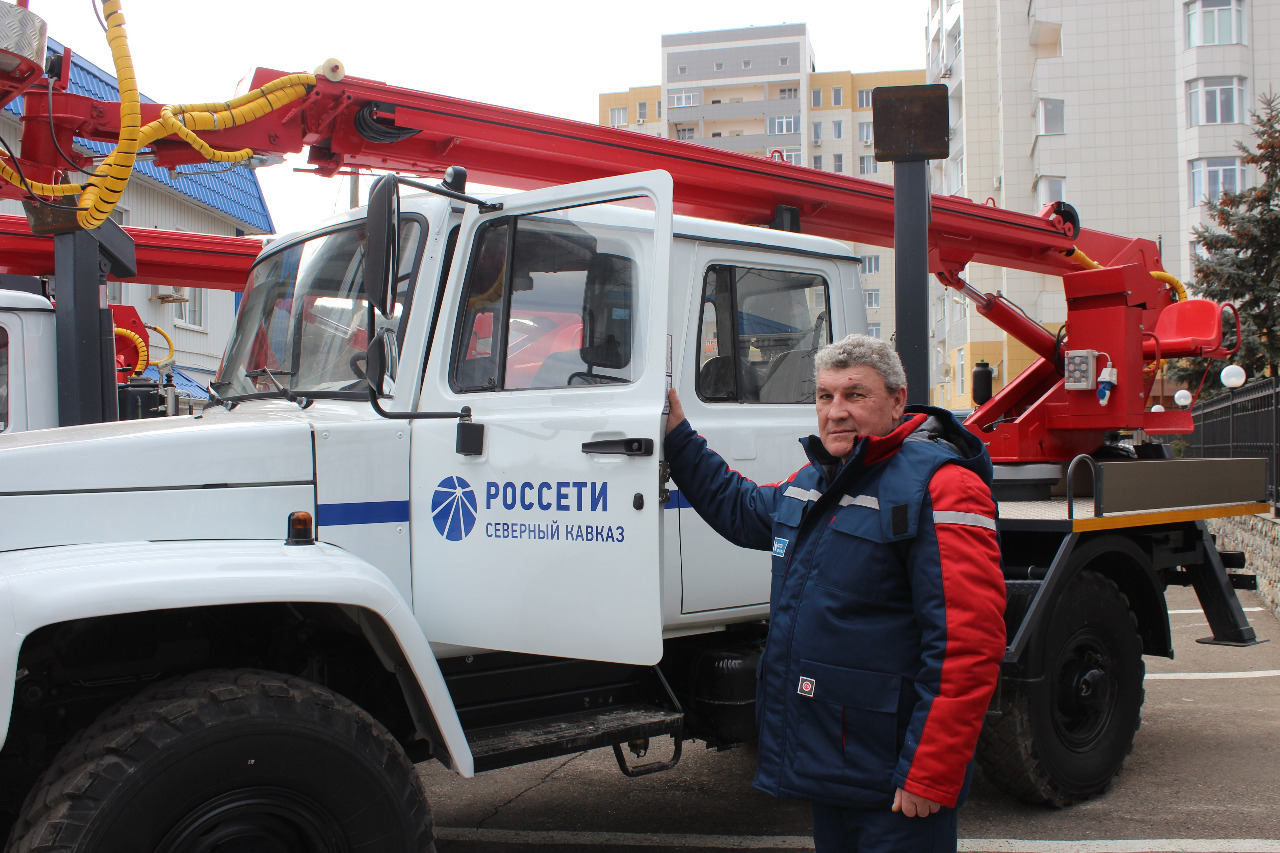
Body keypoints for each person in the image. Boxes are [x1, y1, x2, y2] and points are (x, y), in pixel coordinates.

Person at [664, 333, 1006, 853]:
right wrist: (678, 437)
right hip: (833, 762)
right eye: (825, 397)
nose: (836, 412)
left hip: (893, 778)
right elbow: (740, 509)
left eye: (855, 395)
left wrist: (930, 772)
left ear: (897, 399)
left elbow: (968, 643)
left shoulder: (942, 487)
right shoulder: (817, 480)